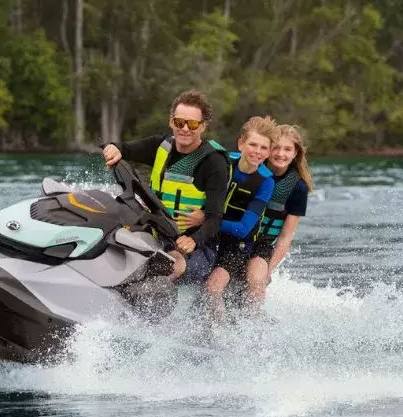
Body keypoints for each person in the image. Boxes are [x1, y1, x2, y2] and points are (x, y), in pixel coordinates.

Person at [101, 90, 229, 283]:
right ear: (171, 122)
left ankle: (150, 308)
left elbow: (215, 218)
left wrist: (193, 240)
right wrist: (112, 148)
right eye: (179, 122)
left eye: (192, 124)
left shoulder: (214, 163)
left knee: (172, 263)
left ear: (203, 126)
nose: (185, 128)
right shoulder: (160, 146)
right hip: (156, 233)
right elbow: (122, 148)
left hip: (197, 247)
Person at [201, 116, 278, 325]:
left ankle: (225, 336)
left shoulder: (265, 182)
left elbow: (244, 229)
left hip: (238, 243)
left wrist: (204, 221)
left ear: (269, 152)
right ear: (241, 143)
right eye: (253, 144)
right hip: (207, 235)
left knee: (213, 286)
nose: (257, 151)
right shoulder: (223, 164)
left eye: (263, 147)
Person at [245, 124, 313, 312]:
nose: (281, 154)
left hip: (262, 245)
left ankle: (251, 328)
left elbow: (285, 238)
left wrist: (269, 270)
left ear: (295, 154)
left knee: (257, 280)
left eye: (287, 149)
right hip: (237, 238)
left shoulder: (297, 188)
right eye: (276, 147)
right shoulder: (250, 171)